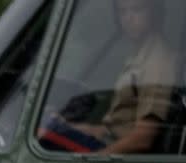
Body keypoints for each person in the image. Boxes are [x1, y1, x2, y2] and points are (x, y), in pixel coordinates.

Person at [40, 0, 177, 154]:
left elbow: (143, 138)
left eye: (137, 10)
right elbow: (111, 129)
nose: (128, 18)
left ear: (154, 13)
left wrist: (97, 159)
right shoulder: (139, 55)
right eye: (122, 12)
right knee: (48, 121)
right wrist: (70, 127)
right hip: (107, 141)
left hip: (115, 154)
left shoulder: (157, 61)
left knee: (42, 131)